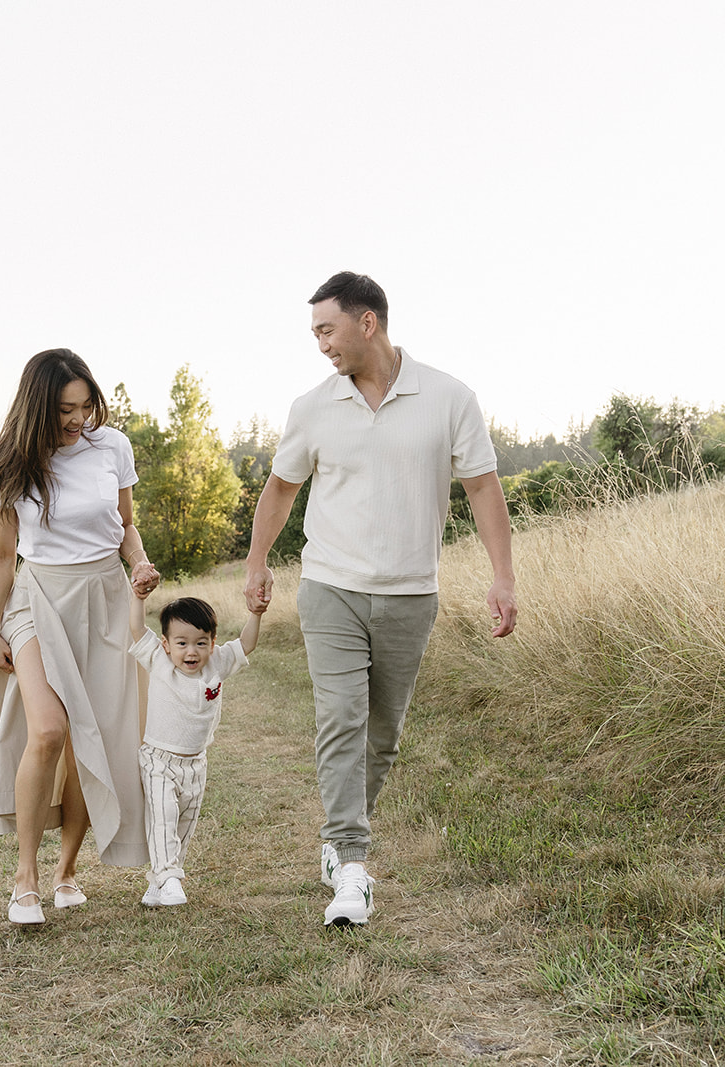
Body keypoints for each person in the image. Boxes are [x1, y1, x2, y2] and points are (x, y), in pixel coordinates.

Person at [242, 272, 518, 928]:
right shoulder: (313, 407)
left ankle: (338, 840)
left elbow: (482, 487)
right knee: (341, 718)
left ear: (368, 322)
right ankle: (354, 865)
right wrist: (257, 562)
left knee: (382, 735)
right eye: (314, 333)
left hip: (409, 593)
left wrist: (502, 575)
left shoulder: (448, 397)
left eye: (326, 330)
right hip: (330, 586)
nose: (320, 345)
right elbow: (281, 489)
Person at [0, 348, 161, 925]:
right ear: (37, 406)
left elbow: (126, 527)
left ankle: (66, 871)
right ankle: (24, 878)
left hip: (107, 597)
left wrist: (139, 565)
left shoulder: (113, 447)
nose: (78, 419)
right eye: (65, 409)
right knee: (50, 730)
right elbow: (4, 556)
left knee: (100, 739)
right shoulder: (6, 463)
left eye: (86, 406)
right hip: (37, 600)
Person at [126, 586, 262, 906]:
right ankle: (169, 875)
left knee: (183, 826)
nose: (192, 652)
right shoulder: (158, 661)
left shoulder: (216, 664)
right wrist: (139, 598)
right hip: (159, 760)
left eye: (201, 643)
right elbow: (136, 628)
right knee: (164, 818)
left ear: (212, 644)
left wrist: (256, 613)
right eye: (182, 643)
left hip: (196, 765)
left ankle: (159, 884)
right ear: (166, 645)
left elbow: (247, 643)